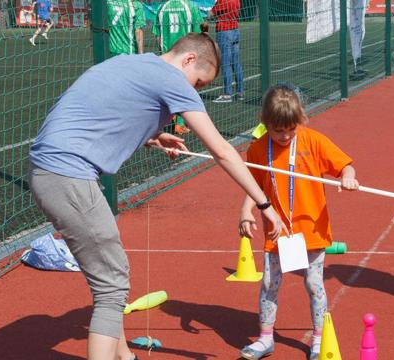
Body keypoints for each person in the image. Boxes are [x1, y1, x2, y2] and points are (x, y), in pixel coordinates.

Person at [29, 33, 287, 360]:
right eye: (198, 83)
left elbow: (105, 109)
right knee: (112, 287)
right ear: (189, 60)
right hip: (69, 177)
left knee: (107, 280)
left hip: (46, 172)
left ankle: (125, 356)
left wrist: (152, 135)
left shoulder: (132, 63)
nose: (193, 91)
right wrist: (264, 204)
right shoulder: (172, 79)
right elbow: (222, 150)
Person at [237, 84, 359, 360]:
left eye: (290, 129)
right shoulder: (257, 149)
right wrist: (245, 212)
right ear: (266, 124)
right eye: (278, 130)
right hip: (277, 231)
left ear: (299, 121)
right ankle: (265, 338)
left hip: (312, 228)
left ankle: (319, 338)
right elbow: (252, 186)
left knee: (314, 283)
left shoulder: (313, 140)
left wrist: (347, 176)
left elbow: (344, 165)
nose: (284, 136)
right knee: (269, 283)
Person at [153, 0, 206, 134]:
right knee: (185, 88)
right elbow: (198, 33)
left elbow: (157, 35)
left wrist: (163, 52)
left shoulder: (162, 7)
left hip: (168, 54)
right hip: (185, 55)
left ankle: (166, 120)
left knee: (167, 88)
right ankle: (180, 123)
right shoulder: (191, 6)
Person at [209, 0, 244, 103]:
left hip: (224, 31)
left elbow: (211, 14)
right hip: (235, 30)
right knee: (236, 63)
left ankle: (227, 94)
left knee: (225, 64)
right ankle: (240, 92)